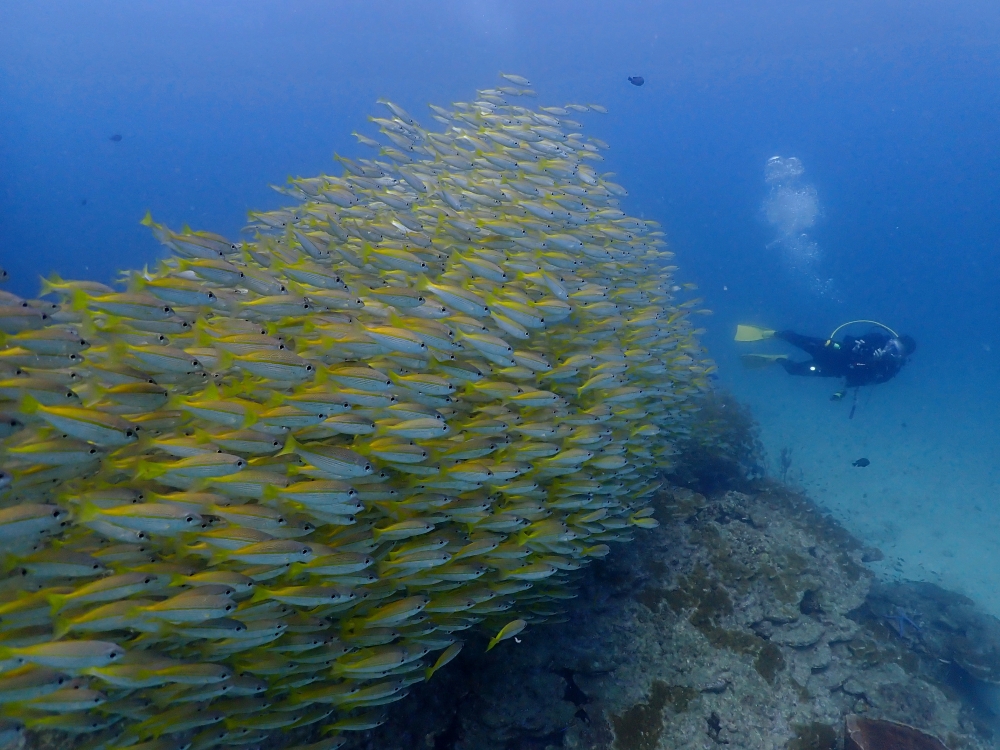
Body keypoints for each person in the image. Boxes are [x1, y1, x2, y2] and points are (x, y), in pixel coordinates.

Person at [735, 323, 916, 401]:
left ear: (901, 357)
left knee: (794, 370)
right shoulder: (877, 338)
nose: (889, 350)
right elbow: (849, 339)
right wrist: (860, 347)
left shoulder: (887, 372)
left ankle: (778, 359)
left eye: (896, 352)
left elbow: (856, 382)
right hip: (832, 349)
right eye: (892, 345)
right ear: (890, 340)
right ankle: (772, 334)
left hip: (831, 369)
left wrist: (871, 363)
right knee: (797, 339)